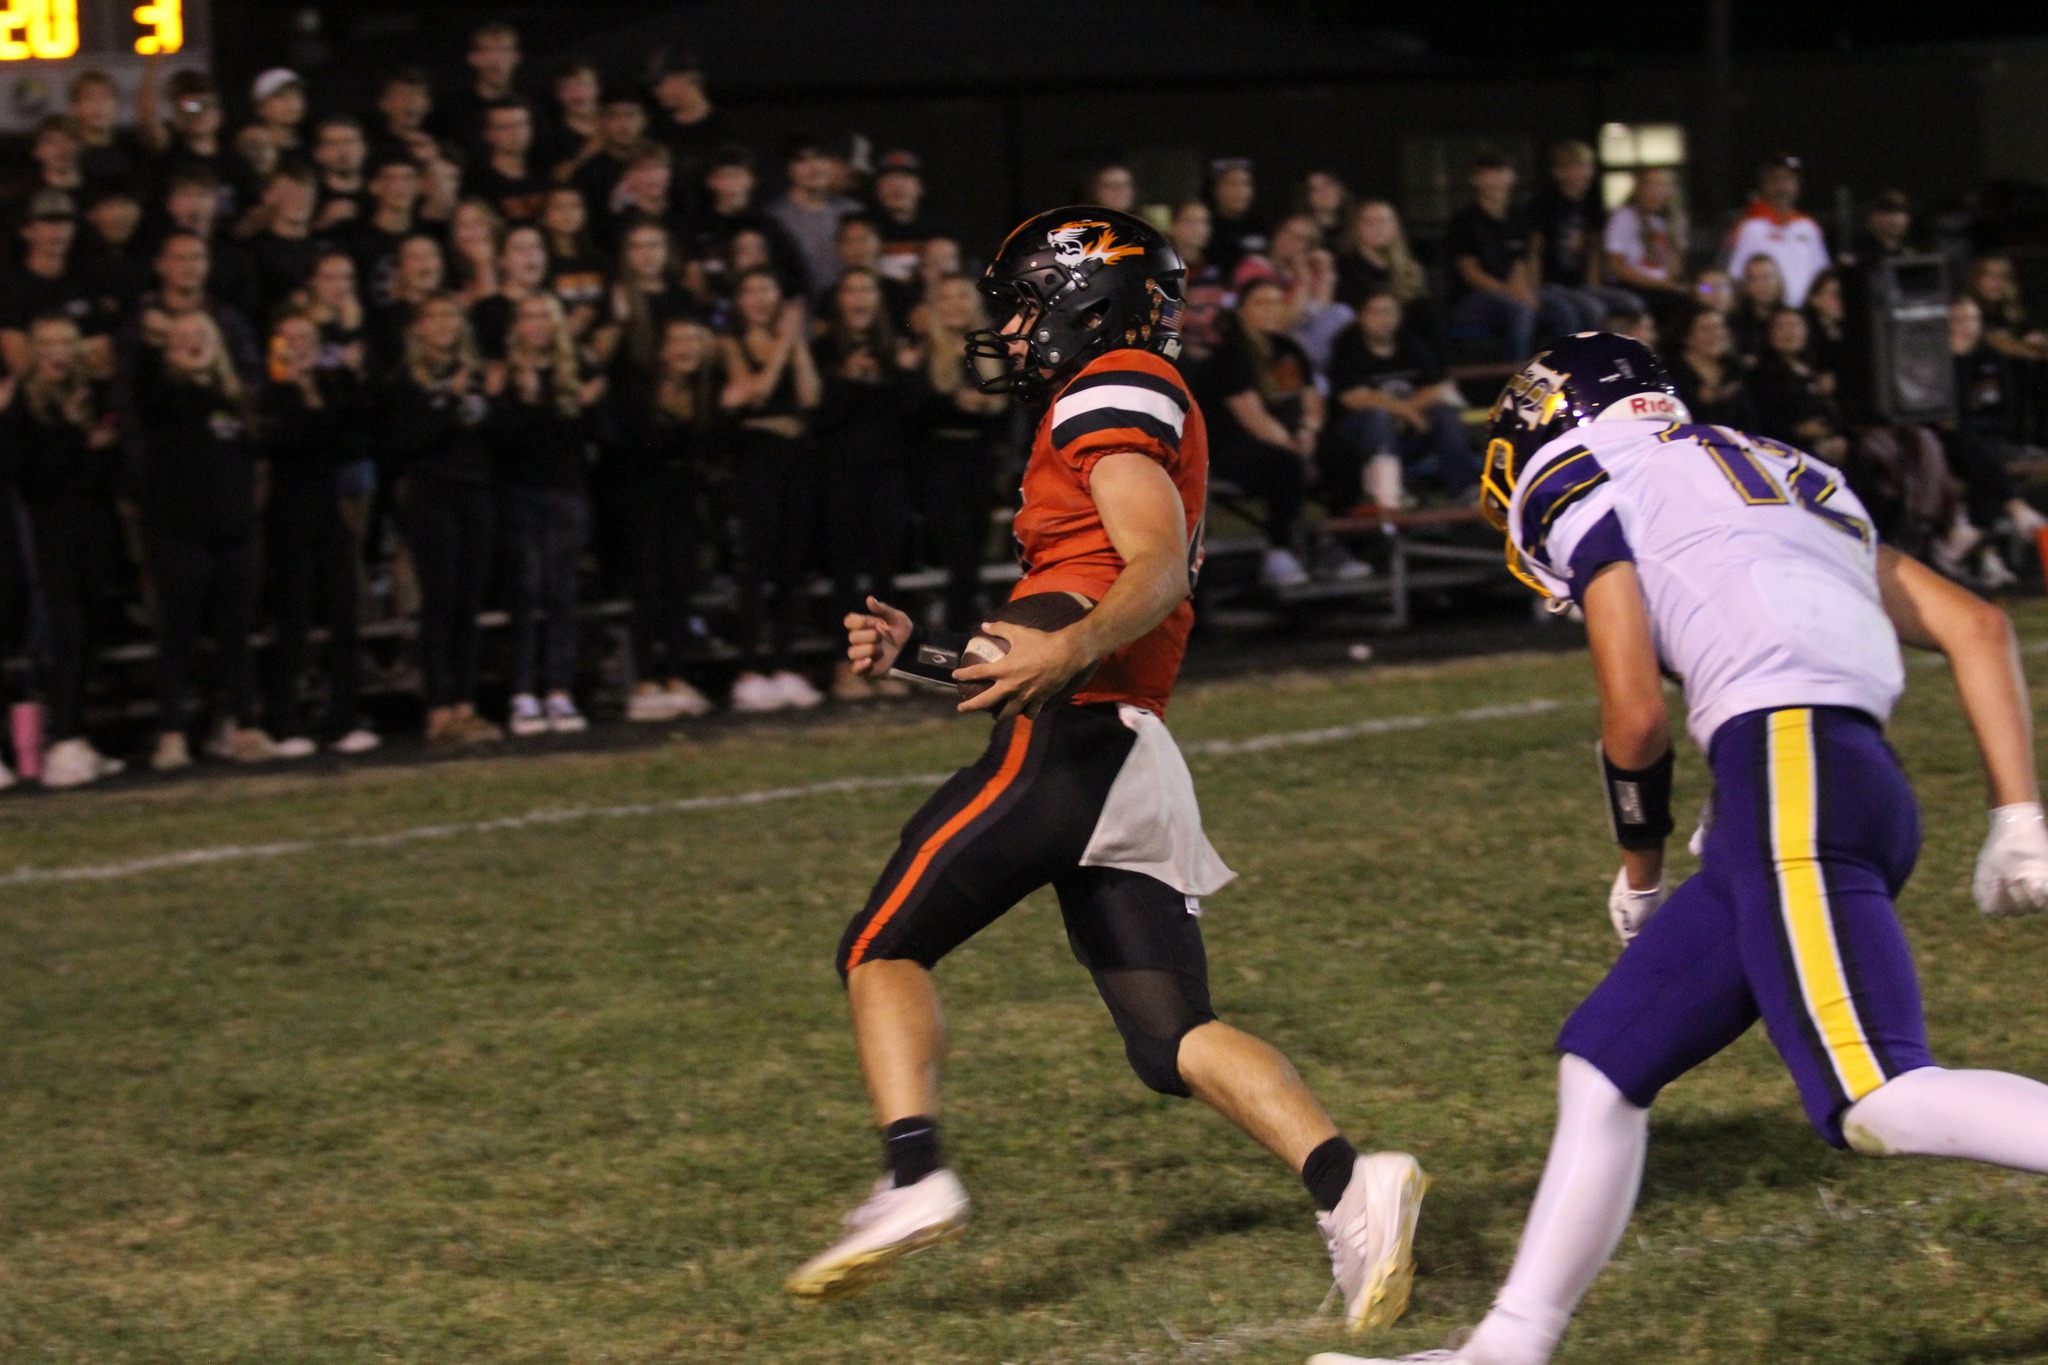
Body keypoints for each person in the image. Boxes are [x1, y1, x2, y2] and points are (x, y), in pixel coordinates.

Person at [1319, 330, 2048, 1365]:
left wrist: (1639, 873)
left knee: (1873, 1094)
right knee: (1604, 1063)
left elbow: (1633, 715)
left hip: (1790, 776)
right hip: (1831, 782)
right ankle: (1504, 1350)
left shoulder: (1592, 481)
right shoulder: (1787, 473)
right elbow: (1974, 624)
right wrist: (2014, 814)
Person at [791, 207, 1425, 1326]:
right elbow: (1050, 624)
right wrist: (920, 656)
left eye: (1029, 304)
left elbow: (1145, 571)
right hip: (1119, 738)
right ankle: (1350, 1184)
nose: (1018, 330)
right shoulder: (1115, 395)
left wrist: (1075, 646)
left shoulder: (1109, 385)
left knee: (880, 945)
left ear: (1088, 299)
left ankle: (910, 1176)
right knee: (1167, 1035)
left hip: (1077, 733)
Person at [133, 310, 280, 771]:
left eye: (202, 335)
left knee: (236, 636)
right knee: (177, 636)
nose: (194, 342)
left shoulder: (235, 399)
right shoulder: (163, 394)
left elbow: (257, 456)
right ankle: (172, 734)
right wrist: (159, 352)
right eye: (183, 336)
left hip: (234, 532)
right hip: (179, 534)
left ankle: (243, 727)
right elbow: (147, 391)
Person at [0, 314, 126, 788]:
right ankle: (62, 736)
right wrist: (78, 439)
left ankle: (74, 735)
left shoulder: (92, 397)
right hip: (43, 531)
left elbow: (109, 469)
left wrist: (92, 443)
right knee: (63, 630)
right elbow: (28, 476)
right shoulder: (22, 406)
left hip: (92, 527)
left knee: (90, 627)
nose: (58, 353)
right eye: (48, 344)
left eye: (66, 343)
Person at [384, 294, 504, 747]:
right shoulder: (406, 382)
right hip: (432, 496)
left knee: (469, 606)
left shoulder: (474, 376)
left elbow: (495, 435)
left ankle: (465, 706)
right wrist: (446, 403)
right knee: (441, 603)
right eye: (433, 316)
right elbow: (406, 440)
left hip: (476, 493)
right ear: (419, 328)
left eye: (451, 317)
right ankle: (438, 708)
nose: (443, 325)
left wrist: (496, 400)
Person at [259, 313, 379, 756]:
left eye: (309, 339)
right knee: (292, 620)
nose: (301, 347)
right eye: (292, 338)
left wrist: (343, 376)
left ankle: (343, 718)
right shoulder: (270, 395)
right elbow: (283, 442)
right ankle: (287, 722)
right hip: (287, 518)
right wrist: (295, 388)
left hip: (328, 513)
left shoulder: (332, 388)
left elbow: (353, 433)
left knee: (343, 616)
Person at [489, 293, 602, 736]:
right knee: (526, 590)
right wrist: (548, 409)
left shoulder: (577, 368)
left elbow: (590, 436)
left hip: (565, 491)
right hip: (519, 492)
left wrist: (559, 409)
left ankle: (558, 690)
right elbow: (500, 440)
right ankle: (521, 693)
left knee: (561, 593)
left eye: (544, 315)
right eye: (528, 316)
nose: (536, 324)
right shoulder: (504, 374)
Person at [717, 266, 824, 712]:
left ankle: (782, 663)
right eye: (751, 290)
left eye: (768, 288)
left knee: (788, 565)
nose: (760, 298)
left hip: (794, 462)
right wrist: (786, 341)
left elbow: (810, 396)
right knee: (756, 566)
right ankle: (747, 667)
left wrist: (795, 344)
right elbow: (757, 392)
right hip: (755, 460)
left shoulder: (792, 340)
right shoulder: (730, 343)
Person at [811, 266, 918, 702]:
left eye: (867, 290)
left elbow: (913, 416)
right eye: (850, 289)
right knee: (844, 575)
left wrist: (909, 373)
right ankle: (845, 666)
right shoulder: (822, 350)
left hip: (887, 472)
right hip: (838, 474)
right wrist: (848, 380)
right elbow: (818, 420)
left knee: (883, 572)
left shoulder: (896, 348)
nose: (859, 298)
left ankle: (884, 661)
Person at [620, 316, 722, 722]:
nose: (684, 348)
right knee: (648, 590)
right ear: (662, 350)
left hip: (684, 507)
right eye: (676, 340)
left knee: (681, 588)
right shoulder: (640, 393)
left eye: (693, 340)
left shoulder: (707, 395)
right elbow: (634, 453)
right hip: (643, 505)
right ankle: (645, 682)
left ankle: (677, 676)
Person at [909, 273, 1009, 633]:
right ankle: (957, 631)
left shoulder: (986, 346)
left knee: (974, 546)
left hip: (979, 459)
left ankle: (963, 628)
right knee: (958, 548)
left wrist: (983, 406)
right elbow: (916, 409)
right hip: (936, 459)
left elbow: (1004, 409)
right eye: (946, 298)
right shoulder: (923, 348)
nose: (955, 305)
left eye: (962, 297)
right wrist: (956, 400)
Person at [1324, 289, 1478, 508]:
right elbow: (1353, 398)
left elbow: (1440, 389)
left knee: (1444, 415)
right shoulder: (1347, 345)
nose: (1382, 319)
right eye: (1374, 312)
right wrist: (1405, 411)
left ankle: (1465, 492)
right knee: (1377, 418)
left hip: (1408, 429)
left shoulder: (1410, 343)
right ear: (1361, 317)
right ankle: (1390, 495)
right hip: (1358, 438)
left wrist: (1404, 410)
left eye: (1388, 312)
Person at [1444, 151, 1562, 361]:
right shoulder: (1464, 221)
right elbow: (1470, 272)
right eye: (1488, 173)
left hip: (1514, 291)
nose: (1496, 179)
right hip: (1472, 299)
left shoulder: (1518, 218)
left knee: (1565, 308)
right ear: (1475, 179)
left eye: (1501, 172)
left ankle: (1566, 373)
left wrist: (1528, 291)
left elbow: (1521, 262)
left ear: (1512, 177)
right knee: (1521, 311)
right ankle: (1515, 378)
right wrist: (1512, 293)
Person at [1, 190, 117, 380]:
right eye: (48, 222)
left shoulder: (86, 282)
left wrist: (51, 353)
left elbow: (103, 359)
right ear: (26, 230)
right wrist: (77, 349)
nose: (58, 231)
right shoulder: (10, 286)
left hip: (83, 388)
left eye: (65, 222)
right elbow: (18, 361)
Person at [1529, 139, 1638, 334]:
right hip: (1552, 284)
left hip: (1581, 284)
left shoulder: (1592, 205)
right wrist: (1534, 289)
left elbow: (1595, 249)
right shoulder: (1543, 204)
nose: (1584, 173)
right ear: (1559, 172)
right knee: (1590, 309)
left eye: (1587, 166)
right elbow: (1535, 250)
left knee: (1631, 303)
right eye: (1577, 167)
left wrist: (1593, 286)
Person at [1726, 151, 1829, 309]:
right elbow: (1735, 277)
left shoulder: (1809, 228)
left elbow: (1823, 276)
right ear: (1765, 185)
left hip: (1802, 316)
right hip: (1764, 314)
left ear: (1797, 186)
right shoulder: (1748, 227)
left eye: (1788, 180)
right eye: (1776, 179)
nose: (1782, 186)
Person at [764, 135, 863, 300]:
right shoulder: (773, 219)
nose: (814, 167)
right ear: (788, 169)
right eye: (802, 160)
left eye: (820, 157)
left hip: (847, 313)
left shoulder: (853, 212)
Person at [1747, 306, 1846, 464]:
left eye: (1795, 325)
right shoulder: (1761, 374)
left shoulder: (1816, 369)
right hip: (1787, 454)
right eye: (1781, 326)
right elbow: (1762, 420)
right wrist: (1798, 430)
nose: (1789, 332)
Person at [1601, 167, 1689, 325]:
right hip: (1629, 286)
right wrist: (1662, 285)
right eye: (1651, 185)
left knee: (1699, 296)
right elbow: (1616, 266)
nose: (1657, 191)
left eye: (1663, 185)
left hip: (1664, 285)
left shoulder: (1675, 221)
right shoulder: (1625, 217)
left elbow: (1676, 265)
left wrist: (1671, 283)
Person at [1666, 307, 1755, 430]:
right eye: (1706, 329)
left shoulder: (1736, 371)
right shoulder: (1670, 374)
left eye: (1720, 327)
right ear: (1686, 337)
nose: (1716, 334)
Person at [870, 149, 942, 287]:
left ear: (921, 187)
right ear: (876, 189)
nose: (897, 185)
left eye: (905, 177)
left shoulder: (939, 231)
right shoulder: (864, 230)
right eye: (889, 178)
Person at [471, 97, 546, 225]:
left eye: (521, 124)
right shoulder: (477, 183)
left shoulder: (545, 173)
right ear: (488, 134)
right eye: (504, 127)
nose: (516, 133)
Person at [1204, 157, 1268, 275]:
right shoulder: (1205, 227)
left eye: (1245, 184)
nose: (1240, 191)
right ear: (1216, 189)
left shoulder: (1263, 226)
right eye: (1232, 183)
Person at [1727, 253, 1787, 360]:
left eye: (1766, 277)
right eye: (1754, 279)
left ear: (1779, 280)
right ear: (1746, 285)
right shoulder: (1733, 321)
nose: (1761, 285)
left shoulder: (1792, 319)